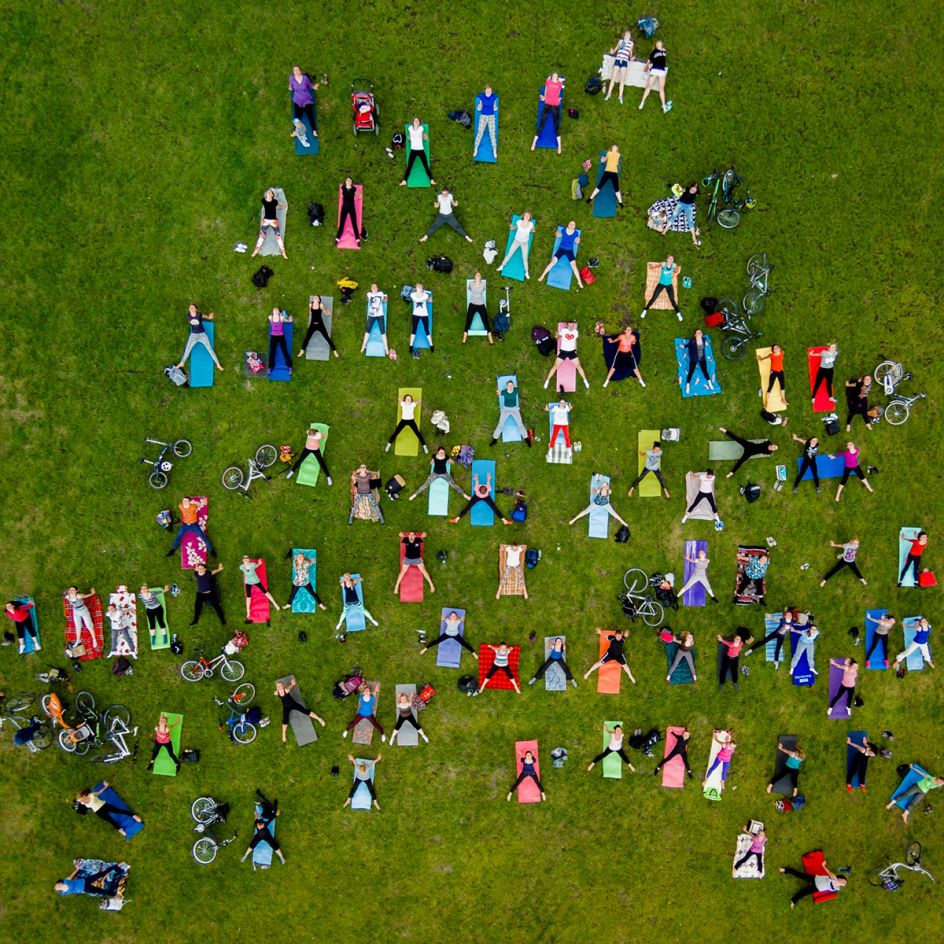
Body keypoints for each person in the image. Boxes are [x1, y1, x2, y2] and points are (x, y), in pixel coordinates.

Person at [75, 782, 142, 837]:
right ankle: (120, 829)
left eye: (80, 799)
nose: (80, 801)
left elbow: (100, 792)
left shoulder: (92, 795)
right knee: (111, 820)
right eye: (79, 801)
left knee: (119, 811)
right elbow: (81, 807)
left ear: (83, 796)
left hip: (105, 806)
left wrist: (105, 786)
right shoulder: (83, 803)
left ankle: (134, 816)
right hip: (99, 812)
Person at [274, 677, 325, 743]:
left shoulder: (286, 690)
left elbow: (290, 688)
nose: (279, 687)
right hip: (286, 707)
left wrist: (292, 684)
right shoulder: (276, 693)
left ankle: (319, 719)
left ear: (283, 686)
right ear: (276, 687)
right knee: (285, 719)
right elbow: (276, 693)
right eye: (278, 686)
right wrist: (277, 691)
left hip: (293, 704)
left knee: (305, 711)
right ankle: (283, 734)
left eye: (280, 685)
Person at [176, 304, 223, 373]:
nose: (191, 308)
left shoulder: (199, 315)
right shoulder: (188, 315)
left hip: (202, 335)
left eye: (193, 307)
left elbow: (204, 316)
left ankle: (218, 364)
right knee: (187, 349)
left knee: (210, 349)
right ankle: (182, 363)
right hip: (193, 335)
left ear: (196, 309)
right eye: (190, 307)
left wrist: (209, 317)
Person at [778, 861, 846, 908]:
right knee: (799, 875)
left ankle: (793, 901)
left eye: (844, 884)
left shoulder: (838, 888)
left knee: (803, 893)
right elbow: (828, 872)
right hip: (815, 879)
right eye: (844, 881)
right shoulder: (834, 877)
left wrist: (838, 883)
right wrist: (823, 865)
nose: (844, 883)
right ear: (840, 878)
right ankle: (785, 870)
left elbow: (832, 889)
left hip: (817, 888)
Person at [538, 222, 584, 288]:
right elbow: (558, 235)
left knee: (574, 265)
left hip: (569, 251)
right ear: (568, 224)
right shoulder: (563, 230)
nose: (571, 225)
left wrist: (578, 240)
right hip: (561, 249)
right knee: (552, 262)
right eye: (570, 224)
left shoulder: (576, 233)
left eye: (573, 224)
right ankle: (542, 275)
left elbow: (577, 242)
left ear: (574, 227)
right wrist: (557, 234)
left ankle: (579, 281)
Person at [546, 322, 590, 389]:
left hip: (572, 352)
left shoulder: (575, 332)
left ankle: (585, 380)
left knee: (578, 366)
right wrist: (557, 335)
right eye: (569, 325)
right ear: (567, 325)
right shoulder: (563, 331)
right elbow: (558, 337)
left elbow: (575, 337)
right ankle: (547, 381)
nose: (571, 326)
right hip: (563, 352)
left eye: (572, 325)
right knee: (555, 366)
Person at [531, 72, 565, 153]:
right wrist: (544, 97)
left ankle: (559, 146)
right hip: (547, 104)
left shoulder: (559, 84)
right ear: (551, 77)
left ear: (557, 78)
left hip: (555, 105)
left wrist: (559, 99)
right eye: (553, 75)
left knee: (556, 125)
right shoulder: (548, 82)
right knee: (542, 123)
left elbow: (560, 92)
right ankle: (534, 142)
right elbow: (546, 90)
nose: (554, 76)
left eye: (556, 76)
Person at [491, 378, 531, 445]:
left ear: (513, 386)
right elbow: (499, 392)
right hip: (506, 409)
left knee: (520, 424)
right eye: (509, 386)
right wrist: (498, 392)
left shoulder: (516, 390)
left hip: (515, 409)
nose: (510, 387)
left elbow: (516, 387)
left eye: (511, 385)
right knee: (500, 424)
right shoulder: (504, 392)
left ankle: (526, 438)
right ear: (507, 386)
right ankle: (495, 439)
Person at [298, 294, 339, 359]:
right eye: (314, 297)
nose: (315, 298)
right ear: (313, 299)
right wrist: (311, 312)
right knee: (307, 338)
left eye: (316, 297)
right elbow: (310, 312)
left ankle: (334, 351)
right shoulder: (310, 305)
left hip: (320, 325)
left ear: (319, 300)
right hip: (312, 325)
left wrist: (328, 312)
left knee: (327, 338)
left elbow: (325, 312)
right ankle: (302, 351)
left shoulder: (321, 305)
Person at [240, 556, 280, 622]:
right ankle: (248, 611)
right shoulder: (241, 567)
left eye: (247, 558)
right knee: (248, 597)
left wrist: (259, 563)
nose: (245, 559)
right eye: (244, 558)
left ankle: (275, 603)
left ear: (249, 559)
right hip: (248, 582)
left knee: (265, 592)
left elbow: (257, 565)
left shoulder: (253, 565)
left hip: (256, 581)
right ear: (243, 560)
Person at [641, 256, 682, 320]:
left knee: (672, 300)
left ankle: (678, 314)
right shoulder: (663, 264)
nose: (671, 259)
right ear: (667, 259)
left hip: (669, 285)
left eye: (672, 259)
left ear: (673, 260)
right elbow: (658, 266)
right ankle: (645, 310)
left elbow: (676, 271)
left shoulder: (673, 265)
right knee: (654, 298)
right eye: (669, 258)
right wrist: (652, 267)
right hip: (661, 284)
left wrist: (675, 269)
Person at [497, 212, 536, 279]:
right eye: (526, 215)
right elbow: (515, 227)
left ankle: (526, 272)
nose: (527, 216)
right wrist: (512, 228)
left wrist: (533, 230)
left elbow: (532, 230)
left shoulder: (531, 224)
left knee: (525, 258)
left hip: (524, 243)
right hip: (516, 241)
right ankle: (502, 266)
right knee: (509, 253)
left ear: (530, 218)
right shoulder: (519, 222)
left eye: (528, 216)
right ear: (523, 216)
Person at [252, 188, 287, 259]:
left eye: (269, 192)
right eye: (267, 192)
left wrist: (281, 207)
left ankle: (283, 252)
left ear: (272, 195)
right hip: (266, 221)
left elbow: (276, 206)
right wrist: (268, 194)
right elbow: (266, 199)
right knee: (261, 236)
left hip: (274, 221)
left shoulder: (274, 202)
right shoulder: (264, 201)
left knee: (278, 237)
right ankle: (256, 249)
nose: (268, 192)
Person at [585, 145, 624, 209]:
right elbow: (617, 164)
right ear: (616, 150)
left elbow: (603, 161)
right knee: (615, 188)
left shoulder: (609, 153)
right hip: (613, 173)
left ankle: (590, 198)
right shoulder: (618, 154)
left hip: (608, 172)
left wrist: (602, 159)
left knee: (600, 186)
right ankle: (620, 202)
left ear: (613, 149)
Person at [401, 118, 434, 186]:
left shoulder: (421, 128)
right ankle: (404, 181)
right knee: (409, 166)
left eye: (417, 121)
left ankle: (431, 180)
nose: (416, 121)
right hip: (413, 150)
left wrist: (423, 137)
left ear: (419, 123)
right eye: (415, 120)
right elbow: (409, 136)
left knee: (426, 165)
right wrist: (410, 138)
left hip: (421, 150)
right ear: (412, 122)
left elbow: (422, 135)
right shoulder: (410, 128)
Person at [639, 40, 671, 112]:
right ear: (656, 45)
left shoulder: (664, 51)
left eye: (660, 42)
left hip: (662, 71)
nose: (658, 42)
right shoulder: (654, 51)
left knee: (661, 88)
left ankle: (663, 106)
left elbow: (663, 50)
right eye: (657, 42)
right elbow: (649, 60)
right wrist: (646, 66)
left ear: (661, 44)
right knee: (649, 86)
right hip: (654, 69)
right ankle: (642, 102)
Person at [462, 272, 494, 344]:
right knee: (468, 321)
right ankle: (464, 337)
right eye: (476, 274)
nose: (478, 274)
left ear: (480, 277)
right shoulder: (471, 284)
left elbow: (483, 289)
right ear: (475, 277)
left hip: (481, 305)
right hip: (472, 305)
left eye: (479, 274)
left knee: (485, 321)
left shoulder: (483, 284)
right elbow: (469, 289)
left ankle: (490, 338)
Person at [681, 329, 716, 393]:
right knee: (691, 371)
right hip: (694, 359)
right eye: (698, 332)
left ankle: (709, 383)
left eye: (700, 332)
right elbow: (688, 345)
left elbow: (706, 340)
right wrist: (684, 346)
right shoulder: (692, 341)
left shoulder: (704, 339)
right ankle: (688, 385)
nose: (699, 333)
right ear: (695, 335)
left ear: (702, 334)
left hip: (702, 359)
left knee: (705, 371)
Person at [605, 31, 635, 103]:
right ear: (624, 35)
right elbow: (615, 50)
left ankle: (620, 96)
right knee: (613, 78)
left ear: (630, 36)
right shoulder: (621, 41)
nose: (628, 35)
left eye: (629, 34)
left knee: (622, 80)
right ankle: (609, 94)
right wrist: (611, 52)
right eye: (627, 34)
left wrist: (631, 58)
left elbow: (630, 52)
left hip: (624, 61)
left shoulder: (631, 43)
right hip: (618, 60)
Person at [288, 66, 318, 137]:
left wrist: (314, 87)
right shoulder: (292, 79)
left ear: (300, 71)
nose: (296, 72)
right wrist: (290, 88)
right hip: (297, 100)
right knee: (297, 116)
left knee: (310, 115)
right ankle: (295, 131)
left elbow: (310, 85)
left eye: (297, 70)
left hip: (306, 99)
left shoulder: (305, 79)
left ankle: (314, 130)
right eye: (294, 71)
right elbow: (290, 87)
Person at [406, 285, 434, 357]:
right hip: (415, 314)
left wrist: (427, 296)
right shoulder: (413, 295)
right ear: (416, 289)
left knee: (426, 330)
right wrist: (423, 295)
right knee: (414, 330)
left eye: (420, 287)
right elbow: (416, 299)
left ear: (422, 289)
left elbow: (430, 300)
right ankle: (411, 346)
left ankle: (431, 345)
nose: (419, 287)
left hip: (424, 315)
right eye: (418, 287)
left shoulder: (425, 295)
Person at [361, 284, 389, 355]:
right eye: (372, 287)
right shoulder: (369, 294)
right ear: (371, 289)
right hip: (371, 315)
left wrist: (385, 297)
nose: (373, 287)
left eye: (375, 286)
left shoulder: (381, 293)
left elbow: (385, 300)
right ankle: (363, 346)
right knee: (367, 331)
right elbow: (367, 299)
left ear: (377, 288)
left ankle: (386, 348)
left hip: (380, 315)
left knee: (383, 332)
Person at [336, 177, 362, 246]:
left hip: (351, 208)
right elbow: (342, 195)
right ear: (345, 181)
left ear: (351, 182)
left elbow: (359, 196)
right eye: (347, 180)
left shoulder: (353, 189)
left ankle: (357, 240)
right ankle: (337, 238)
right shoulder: (343, 188)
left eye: (349, 180)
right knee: (342, 223)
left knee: (354, 223)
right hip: (344, 208)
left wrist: (358, 195)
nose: (348, 181)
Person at [474, 84, 499, 156]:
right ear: (485, 91)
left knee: (492, 133)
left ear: (491, 91)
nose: (488, 92)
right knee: (480, 132)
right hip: (483, 117)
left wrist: (495, 107)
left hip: (491, 117)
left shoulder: (493, 97)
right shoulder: (482, 97)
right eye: (487, 91)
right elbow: (480, 107)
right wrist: (478, 107)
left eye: (490, 91)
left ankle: (494, 149)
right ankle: (476, 148)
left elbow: (494, 108)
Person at [267, 307, 293, 374]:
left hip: (281, 336)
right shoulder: (270, 317)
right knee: (272, 352)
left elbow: (287, 321)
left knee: (284, 351)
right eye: (274, 310)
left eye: (277, 310)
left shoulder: (281, 317)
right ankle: (270, 367)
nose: (275, 311)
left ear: (279, 312)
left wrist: (290, 320)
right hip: (273, 336)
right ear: (272, 312)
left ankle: (289, 367)